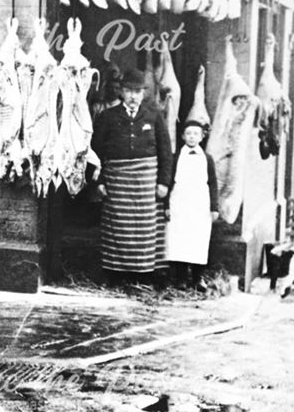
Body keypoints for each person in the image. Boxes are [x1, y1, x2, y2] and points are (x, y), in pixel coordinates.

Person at [91, 67, 173, 285]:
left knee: (145, 228)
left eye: (138, 92)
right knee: (117, 226)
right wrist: (99, 181)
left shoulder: (154, 116)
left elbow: (166, 151)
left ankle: (143, 275)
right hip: (117, 181)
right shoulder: (107, 117)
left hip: (146, 182)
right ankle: (116, 275)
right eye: (129, 91)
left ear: (144, 93)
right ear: (122, 92)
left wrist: (164, 182)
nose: (133, 96)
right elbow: (95, 152)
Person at [165, 120, 219, 291]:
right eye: (188, 133)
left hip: (200, 205)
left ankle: (198, 278)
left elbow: (213, 183)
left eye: (196, 133)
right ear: (183, 136)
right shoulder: (176, 158)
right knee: (179, 240)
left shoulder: (207, 159)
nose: (192, 137)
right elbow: (168, 181)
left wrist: (214, 207)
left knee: (198, 240)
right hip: (180, 203)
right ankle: (181, 277)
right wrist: (166, 205)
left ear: (202, 137)